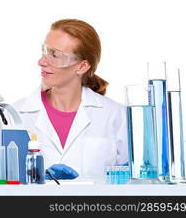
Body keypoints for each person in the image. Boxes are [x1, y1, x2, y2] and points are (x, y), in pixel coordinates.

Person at [14, 19, 128, 180]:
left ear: (82, 66)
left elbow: (133, 183)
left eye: (55, 55)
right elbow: (2, 183)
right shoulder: (16, 115)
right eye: (44, 52)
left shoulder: (117, 116)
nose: (41, 62)